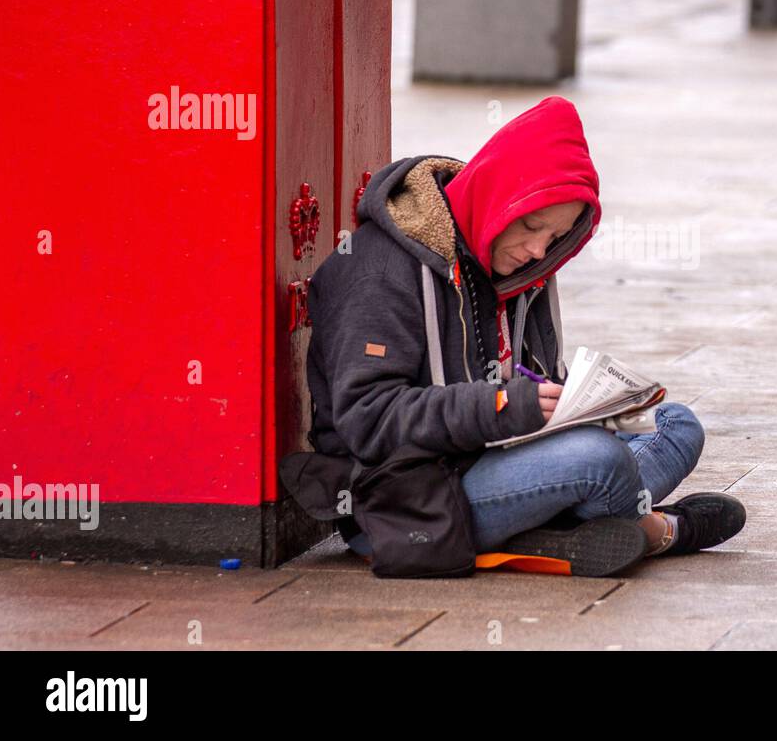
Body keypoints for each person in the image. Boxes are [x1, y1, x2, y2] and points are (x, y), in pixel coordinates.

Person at [305, 96, 745, 575]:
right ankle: (659, 531)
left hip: (494, 460)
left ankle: (554, 525)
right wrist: (501, 406)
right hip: (405, 498)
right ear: (494, 197)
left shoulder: (519, 269)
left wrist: (587, 407)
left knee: (676, 425)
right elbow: (367, 420)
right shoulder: (379, 271)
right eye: (532, 225)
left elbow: (530, 385)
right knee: (600, 462)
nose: (538, 249)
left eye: (554, 238)